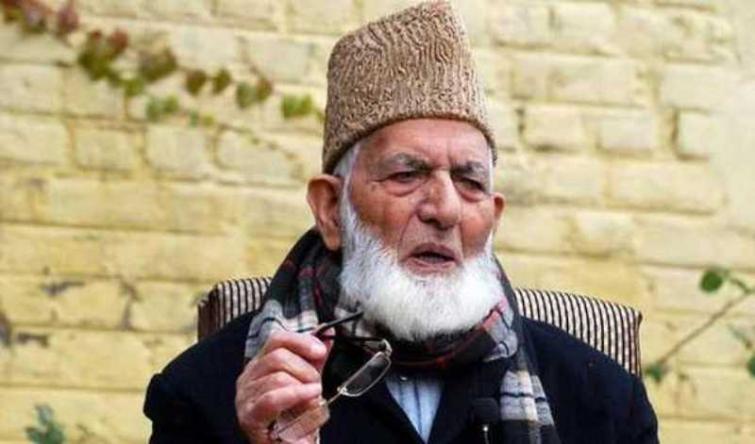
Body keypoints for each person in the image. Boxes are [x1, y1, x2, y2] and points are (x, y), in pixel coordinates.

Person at [143, 2, 658, 443]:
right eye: (407, 174)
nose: (445, 209)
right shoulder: (209, 393)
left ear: (494, 216)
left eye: (470, 182)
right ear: (331, 209)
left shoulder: (601, 400)